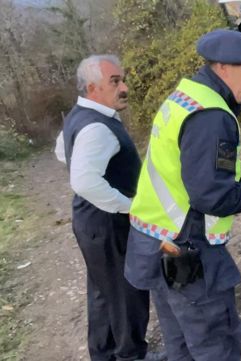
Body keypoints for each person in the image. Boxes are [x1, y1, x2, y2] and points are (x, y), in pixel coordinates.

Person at [124, 29, 241, 361]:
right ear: (223, 67)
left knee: (180, 344)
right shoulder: (211, 116)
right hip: (187, 249)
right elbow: (213, 197)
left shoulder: (184, 97)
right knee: (216, 345)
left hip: (155, 241)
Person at [54, 55, 164, 361]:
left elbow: (62, 150)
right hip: (108, 225)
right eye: (115, 81)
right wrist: (128, 206)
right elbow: (84, 180)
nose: (124, 87)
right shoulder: (98, 127)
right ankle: (131, 355)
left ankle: (103, 354)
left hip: (90, 223)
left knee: (103, 292)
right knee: (127, 292)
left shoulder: (80, 115)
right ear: (93, 88)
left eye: (122, 79)